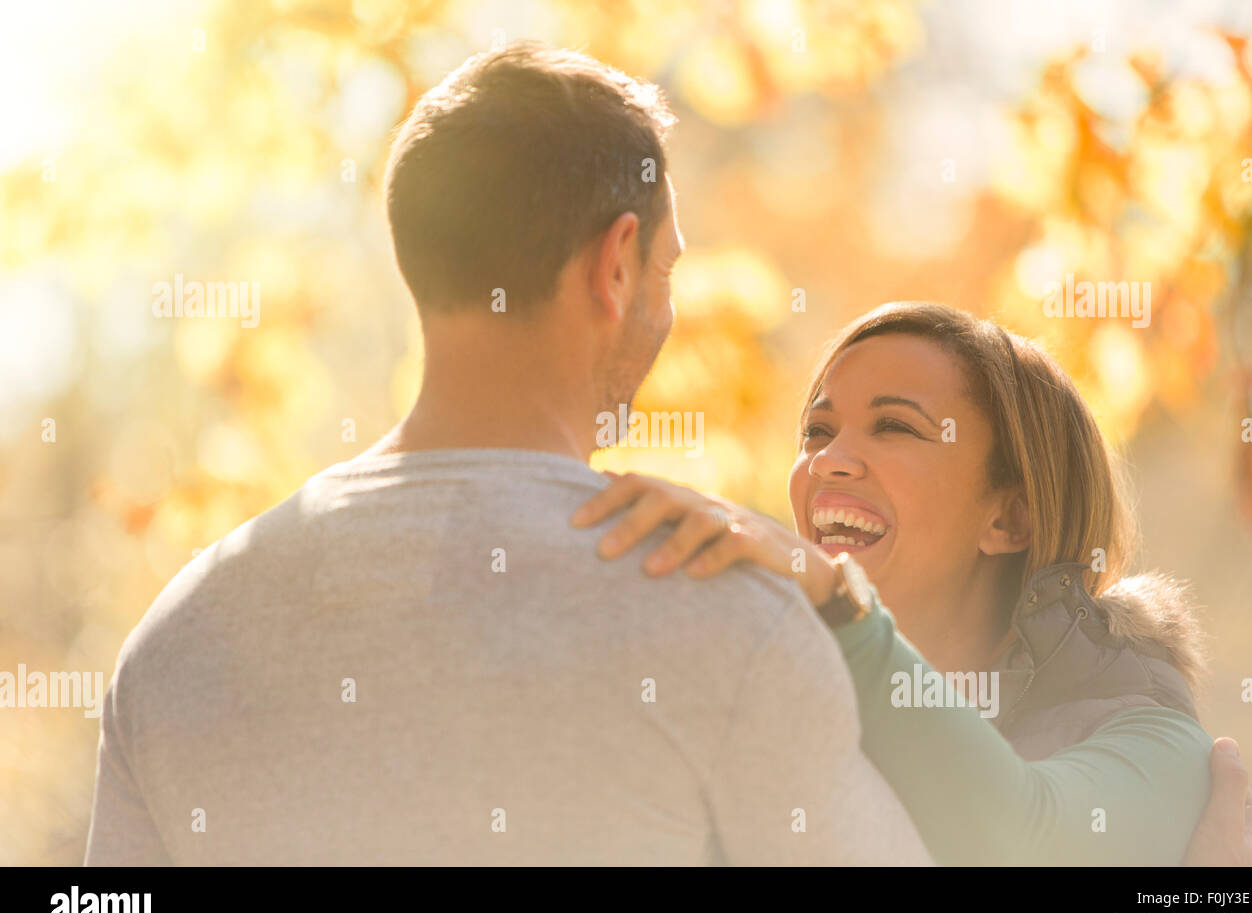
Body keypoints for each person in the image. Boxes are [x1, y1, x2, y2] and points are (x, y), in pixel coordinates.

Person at [83, 44, 931, 866]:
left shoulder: (177, 641)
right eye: (664, 270)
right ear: (615, 267)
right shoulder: (732, 618)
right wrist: (847, 613)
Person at [573, 301, 1252, 865]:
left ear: (1010, 516)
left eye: (894, 427)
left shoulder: (1156, 741)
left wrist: (842, 606)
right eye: (817, 430)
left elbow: (1017, 841)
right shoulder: (782, 702)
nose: (830, 461)